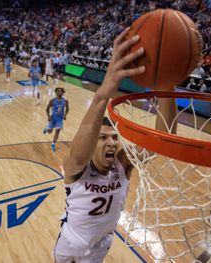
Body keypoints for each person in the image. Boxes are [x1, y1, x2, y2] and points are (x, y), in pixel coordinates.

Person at [53, 28, 148, 263]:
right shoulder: (76, 169)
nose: (111, 143)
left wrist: (168, 87)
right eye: (103, 137)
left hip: (100, 246)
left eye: (114, 138)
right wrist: (100, 97)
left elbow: (161, 140)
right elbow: (80, 151)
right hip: (70, 241)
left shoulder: (122, 166)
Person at [43, 87, 69, 152]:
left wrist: (65, 115)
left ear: (63, 93)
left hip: (60, 119)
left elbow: (67, 109)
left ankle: (53, 144)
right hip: (53, 118)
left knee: (57, 131)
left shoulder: (65, 101)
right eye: (57, 91)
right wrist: (48, 116)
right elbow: (47, 109)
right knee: (49, 132)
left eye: (60, 91)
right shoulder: (52, 100)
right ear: (55, 92)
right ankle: (46, 128)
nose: (59, 92)